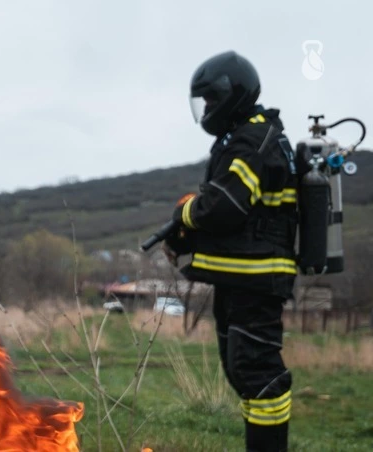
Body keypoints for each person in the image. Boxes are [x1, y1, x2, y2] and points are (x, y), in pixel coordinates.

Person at [163, 50, 302, 452]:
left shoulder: (252, 140)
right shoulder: (249, 135)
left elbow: (224, 206)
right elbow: (238, 216)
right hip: (242, 279)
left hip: (256, 283)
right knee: (245, 372)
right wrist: (184, 234)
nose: (206, 109)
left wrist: (182, 212)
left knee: (258, 374)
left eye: (209, 100)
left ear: (230, 93)